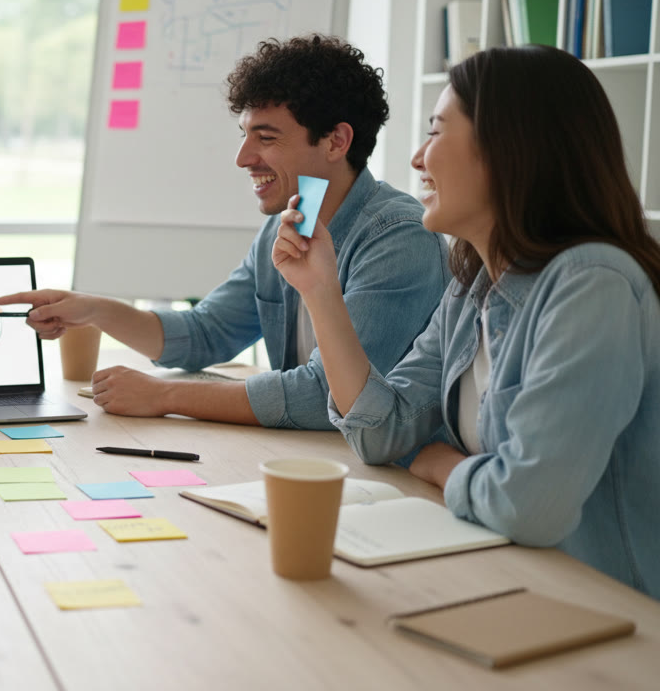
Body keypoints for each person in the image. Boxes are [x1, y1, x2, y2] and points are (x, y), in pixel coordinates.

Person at [273, 45, 660, 597]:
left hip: (609, 613)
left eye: (435, 132)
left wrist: (439, 465)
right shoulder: (474, 285)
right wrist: (320, 292)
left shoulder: (591, 284)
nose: (417, 158)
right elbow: (383, 432)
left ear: (508, 149)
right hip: (511, 581)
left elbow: (527, 506)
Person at [0, 35, 448, 429]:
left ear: (336, 141)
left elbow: (326, 398)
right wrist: (95, 310)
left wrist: (167, 396)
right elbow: (206, 333)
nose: (242, 158)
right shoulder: (287, 225)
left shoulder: (398, 239)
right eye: (244, 135)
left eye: (266, 138)